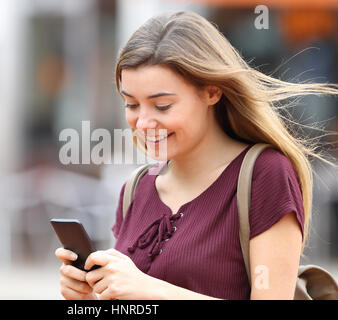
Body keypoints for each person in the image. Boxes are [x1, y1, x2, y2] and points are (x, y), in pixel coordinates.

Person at [55, 10, 338, 300]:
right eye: (131, 104)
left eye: (162, 106)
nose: (142, 123)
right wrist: (90, 298)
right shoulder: (135, 190)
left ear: (212, 92)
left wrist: (149, 289)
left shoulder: (264, 174)